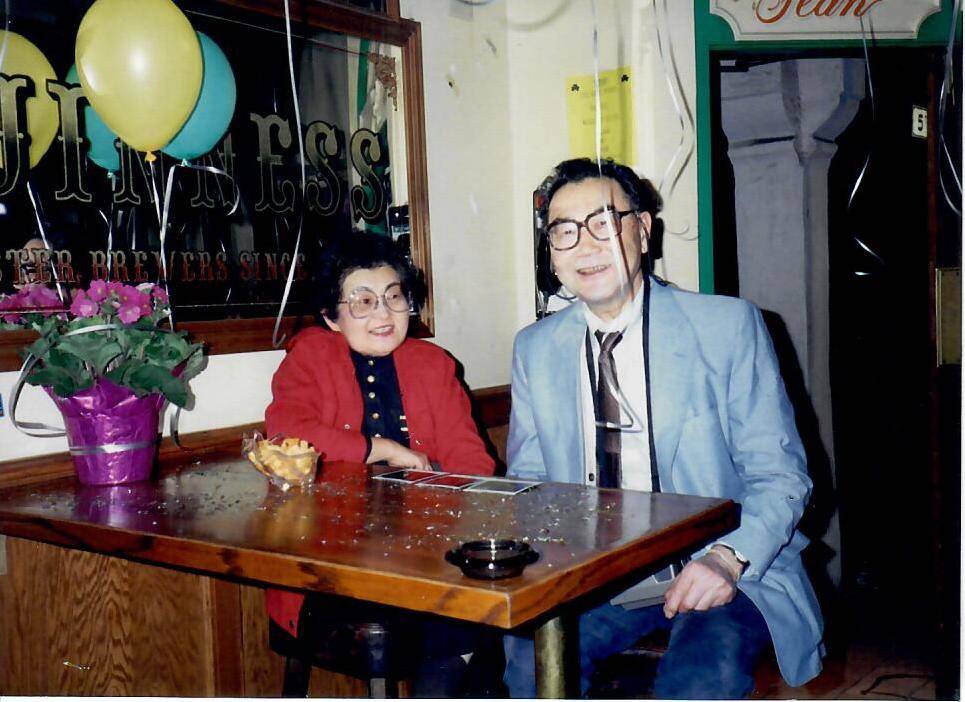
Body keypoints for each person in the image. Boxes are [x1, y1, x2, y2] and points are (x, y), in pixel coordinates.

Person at [503, 158, 824, 699]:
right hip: (599, 578)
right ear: (551, 253)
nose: (585, 244)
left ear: (644, 230)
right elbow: (530, 483)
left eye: (604, 220)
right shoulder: (535, 349)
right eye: (564, 230)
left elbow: (782, 476)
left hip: (726, 562)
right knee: (528, 658)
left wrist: (726, 558)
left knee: (702, 673)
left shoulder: (726, 326)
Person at [264, 230, 500, 696]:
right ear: (332, 315)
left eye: (394, 298)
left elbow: (473, 461)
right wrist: (383, 449)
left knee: (478, 604)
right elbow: (286, 431)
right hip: (329, 561)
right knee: (464, 616)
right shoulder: (310, 355)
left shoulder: (434, 364)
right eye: (363, 301)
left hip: (428, 554)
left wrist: (444, 508)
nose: (384, 313)